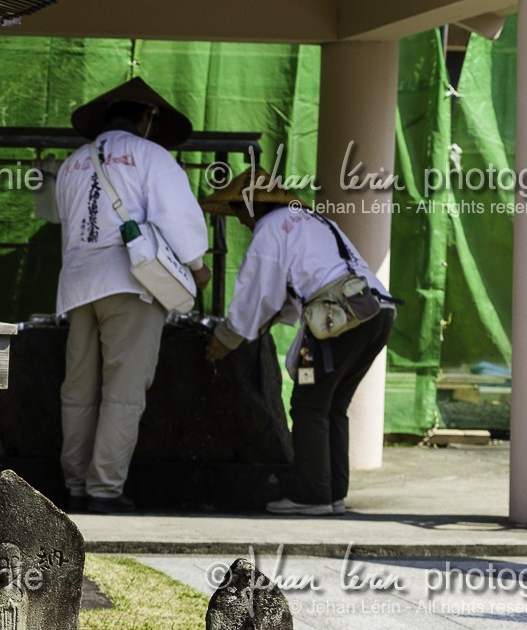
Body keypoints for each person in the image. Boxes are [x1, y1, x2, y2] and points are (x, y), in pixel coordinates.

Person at [54, 78, 211, 514]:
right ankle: (104, 488)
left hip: (78, 286)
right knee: (123, 391)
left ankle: (76, 485)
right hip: (131, 282)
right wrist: (197, 267)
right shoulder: (150, 155)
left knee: (78, 390)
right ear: (146, 119)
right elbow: (177, 217)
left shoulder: (72, 164)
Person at [203, 169, 397, 515]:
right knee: (332, 404)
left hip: (342, 319)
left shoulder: (271, 228)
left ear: (250, 205)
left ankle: (312, 496)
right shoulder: (312, 220)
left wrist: (226, 337)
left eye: (238, 210)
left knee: (309, 403)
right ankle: (333, 492)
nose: (240, 220)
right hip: (376, 312)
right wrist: (262, 324)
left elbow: (256, 292)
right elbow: (286, 295)